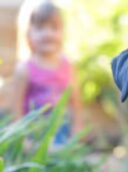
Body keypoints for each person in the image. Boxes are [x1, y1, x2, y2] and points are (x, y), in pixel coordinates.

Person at [13, 0, 82, 145]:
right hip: (34, 135)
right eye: (40, 28)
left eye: (54, 27)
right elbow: (16, 109)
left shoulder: (68, 66)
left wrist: (76, 135)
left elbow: (75, 104)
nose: (48, 33)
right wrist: (22, 141)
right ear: (28, 32)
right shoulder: (24, 69)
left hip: (62, 134)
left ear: (62, 31)